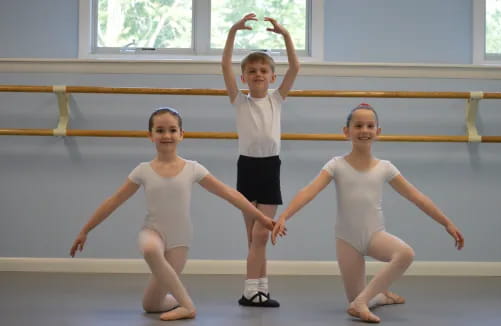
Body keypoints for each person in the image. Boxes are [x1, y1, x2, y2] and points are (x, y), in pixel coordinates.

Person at [69, 107, 277, 321]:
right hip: (153, 231)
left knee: (150, 305)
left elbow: (229, 194)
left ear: (181, 134)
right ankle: (188, 305)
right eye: (160, 130)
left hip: (179, 241)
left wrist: (262, 218)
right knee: (150, 249)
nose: (166, 135)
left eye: (172, 130)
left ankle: (175, 299)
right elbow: (113, 201)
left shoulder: (193, 168)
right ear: (150, 136)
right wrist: (86, 230)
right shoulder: (143, 170)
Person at [271, 103, 465, 323]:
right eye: (358, 125)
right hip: (347, 240)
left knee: (405, 254)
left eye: (370, 126)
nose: (364, 130)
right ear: (347, 131)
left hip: (375, 236)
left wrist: (446, 222)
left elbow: (416, 196)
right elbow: (308, 191)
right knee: (354, 298)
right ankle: (377, 297)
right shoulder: (336, 165)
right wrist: (285, 215)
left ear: (378, 132)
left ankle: (363, 302)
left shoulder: (385, 167)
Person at [221, 12, 300, 307]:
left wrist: (285, 35)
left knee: (261, 235)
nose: (257, 74)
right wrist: (232, 31)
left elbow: (296, 66)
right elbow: (224, 66)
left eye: (263, 70)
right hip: (247, 167)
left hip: (269, 167)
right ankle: (256, 291)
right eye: (251, 70)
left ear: (271, 77)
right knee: (252, 238)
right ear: (244, 77)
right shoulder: (239, 100)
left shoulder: (276, 99)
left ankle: (254, 291)